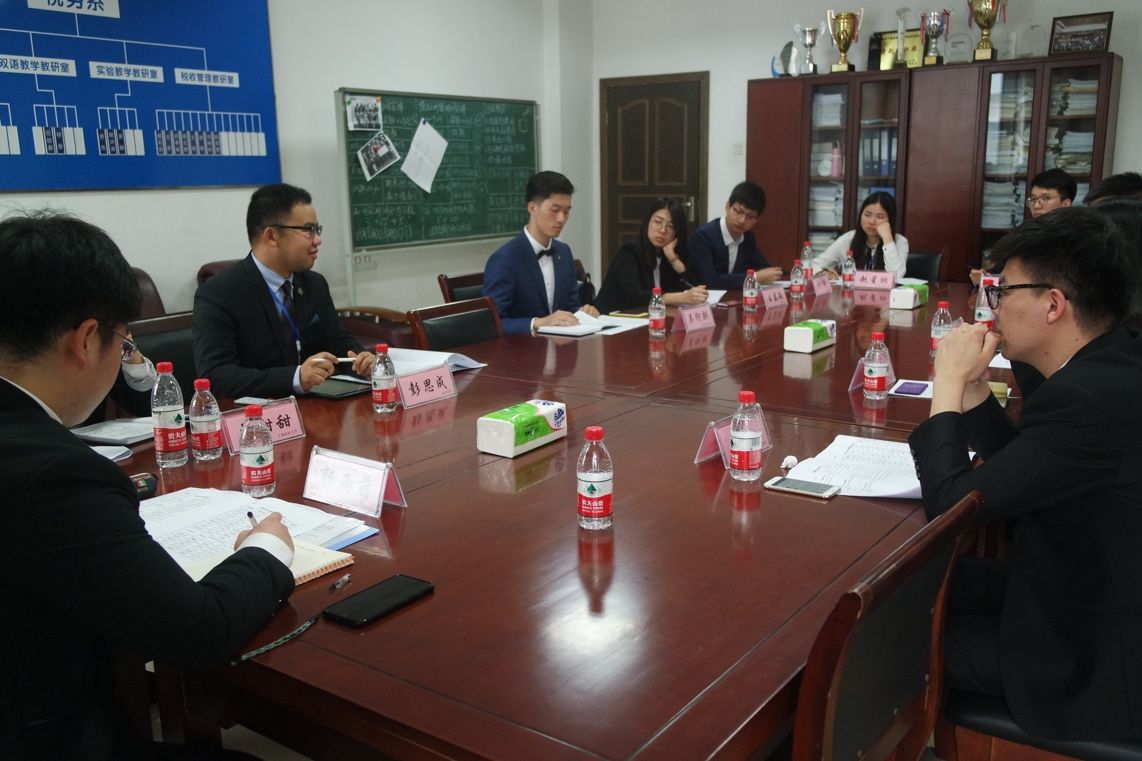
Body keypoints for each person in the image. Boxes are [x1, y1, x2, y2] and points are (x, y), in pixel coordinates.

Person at [0, 211, 296, 759]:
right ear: (86, 340)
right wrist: (266, 549)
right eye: (122, 342)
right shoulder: (56, 475)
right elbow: (200, 629)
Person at [907, 207, 1142, 742]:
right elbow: (1032, 464)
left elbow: (951, 508)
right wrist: (973, 391)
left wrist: (947, 385)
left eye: (1003, 291)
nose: (990, 307)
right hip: (1075, 585)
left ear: (1053, 304)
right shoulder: (1112, 363)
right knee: (909, 591)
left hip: (1094, 653)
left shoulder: (1085, 400)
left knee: (881, 640)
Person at [193, 183, 374, 398]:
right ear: (272, 236)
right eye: (308, 230)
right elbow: (215, 376)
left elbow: (337, 341)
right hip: (258, 413)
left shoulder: (314, 284)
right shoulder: (219, 294)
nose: (317, 240)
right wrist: (295, 378)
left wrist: (363, 361)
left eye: (317, 230)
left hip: (318, 407)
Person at [483, 171, 599, 335]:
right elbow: (493, 323)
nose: (561, 219)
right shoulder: (505, 259)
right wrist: (537, 323)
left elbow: (571, 307)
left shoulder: (564, 252)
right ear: (532, 208)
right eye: (555, 210)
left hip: (562, 345)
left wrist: (583, 312)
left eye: (566, 211)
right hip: (522, 348)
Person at [592, 198, 708, 314]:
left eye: (671, 226)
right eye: (658, 222)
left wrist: (674, 260)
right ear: (648, 222)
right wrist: (681, 298)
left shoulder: (667, 256)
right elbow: (636, 297)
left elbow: (698, 291)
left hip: (649, 318)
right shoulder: (629, 252)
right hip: (612, 318)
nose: (663, 230)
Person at [687, 181, 782, 290]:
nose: (742, 220)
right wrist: (755, 277)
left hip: (732, 297)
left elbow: (764, 268)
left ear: (756, 220)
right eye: (738, 211)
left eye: (750, 216)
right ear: (728, 206)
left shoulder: (748, 238)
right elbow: (711, 281)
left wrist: (773, 273)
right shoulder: (702, 237)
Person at [811, 191, 908, 279]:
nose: (871, 221)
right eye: (867, 215)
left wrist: (887, 239)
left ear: (890, 220)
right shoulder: (848, 239)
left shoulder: (900, 242)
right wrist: (820, 273)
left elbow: (897, 277)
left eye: (880, 217)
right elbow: (812, 265)